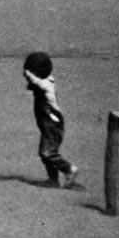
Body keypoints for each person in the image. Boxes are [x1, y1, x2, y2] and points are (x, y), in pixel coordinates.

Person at [23, 51, 79, 187]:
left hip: (53, 124)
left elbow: (37, 82)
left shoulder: (47, 84)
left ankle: (69, 169)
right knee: (45, 153)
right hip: (47, 124)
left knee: (47, 153)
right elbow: (34, 84)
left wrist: (28, 73)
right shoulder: (43, 82)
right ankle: (53, 180)